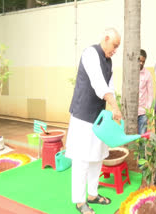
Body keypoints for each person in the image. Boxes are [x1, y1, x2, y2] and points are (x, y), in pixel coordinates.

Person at [65, 28, 122, 214]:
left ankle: (92, 194)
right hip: (82, 115)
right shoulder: (90, 53)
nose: (115, 50)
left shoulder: (109, 61)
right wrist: (114, 106)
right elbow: (99, 84)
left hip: (98, 117)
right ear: (106, 39)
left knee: (97, 156)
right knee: (81, 159)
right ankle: (80, 202)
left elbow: (110, 87)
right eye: (114, 45)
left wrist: (114, 108)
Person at [138, 49, 153, 134]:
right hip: (131, 112)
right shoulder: (130, 72)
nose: (141, 63)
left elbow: (150, 94)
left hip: (143, 113)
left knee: (142, 137)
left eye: (143, 61)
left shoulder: (147, 74)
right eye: (139, 60)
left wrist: (147, 109)